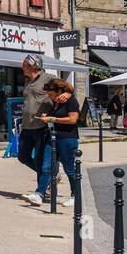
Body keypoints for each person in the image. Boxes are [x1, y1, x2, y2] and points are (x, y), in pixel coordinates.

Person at [17, 55, 56, 206]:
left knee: (40, 161)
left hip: (41, 126)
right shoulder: (28, 81)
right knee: (23, 156)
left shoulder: (48, 78)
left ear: (33, 66)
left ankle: (40, 192)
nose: (22, 67)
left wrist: (66, 94)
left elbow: (63, 90)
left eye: (24, 64)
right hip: (27, 126)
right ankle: (53, 176)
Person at [39, 78, 80, 208]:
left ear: (59, 91)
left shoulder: (71, 101)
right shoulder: (56, 103)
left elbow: (73, 119)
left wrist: (52, 118)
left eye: (50, 94)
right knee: (46, 167)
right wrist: (48, 117)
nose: (49, 97)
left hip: (67, 138)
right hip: (52, 138)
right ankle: (39, 194)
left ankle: (76, 195)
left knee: (70, 169)